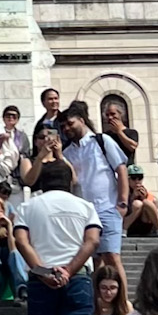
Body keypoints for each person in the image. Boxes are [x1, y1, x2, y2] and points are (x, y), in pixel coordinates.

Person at [11, 159, 101, 315]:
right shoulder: (85, 206)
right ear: (69, 182)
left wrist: (43, 272)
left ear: (43, 181)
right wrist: (69, 270)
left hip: (41, 282)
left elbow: (21, 241)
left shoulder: (28, 206)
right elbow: (92, 241)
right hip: (77, 279)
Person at [61, 105, 128, 258]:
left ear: (81, 120)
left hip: (107, 207)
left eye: (70, 123)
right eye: (63, 126)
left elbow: (121, 169)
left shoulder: (101, 141)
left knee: (112, 256)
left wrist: (122, 203)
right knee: (94, 259)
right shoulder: (66, 152)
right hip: (83, 212)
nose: (67, 129)